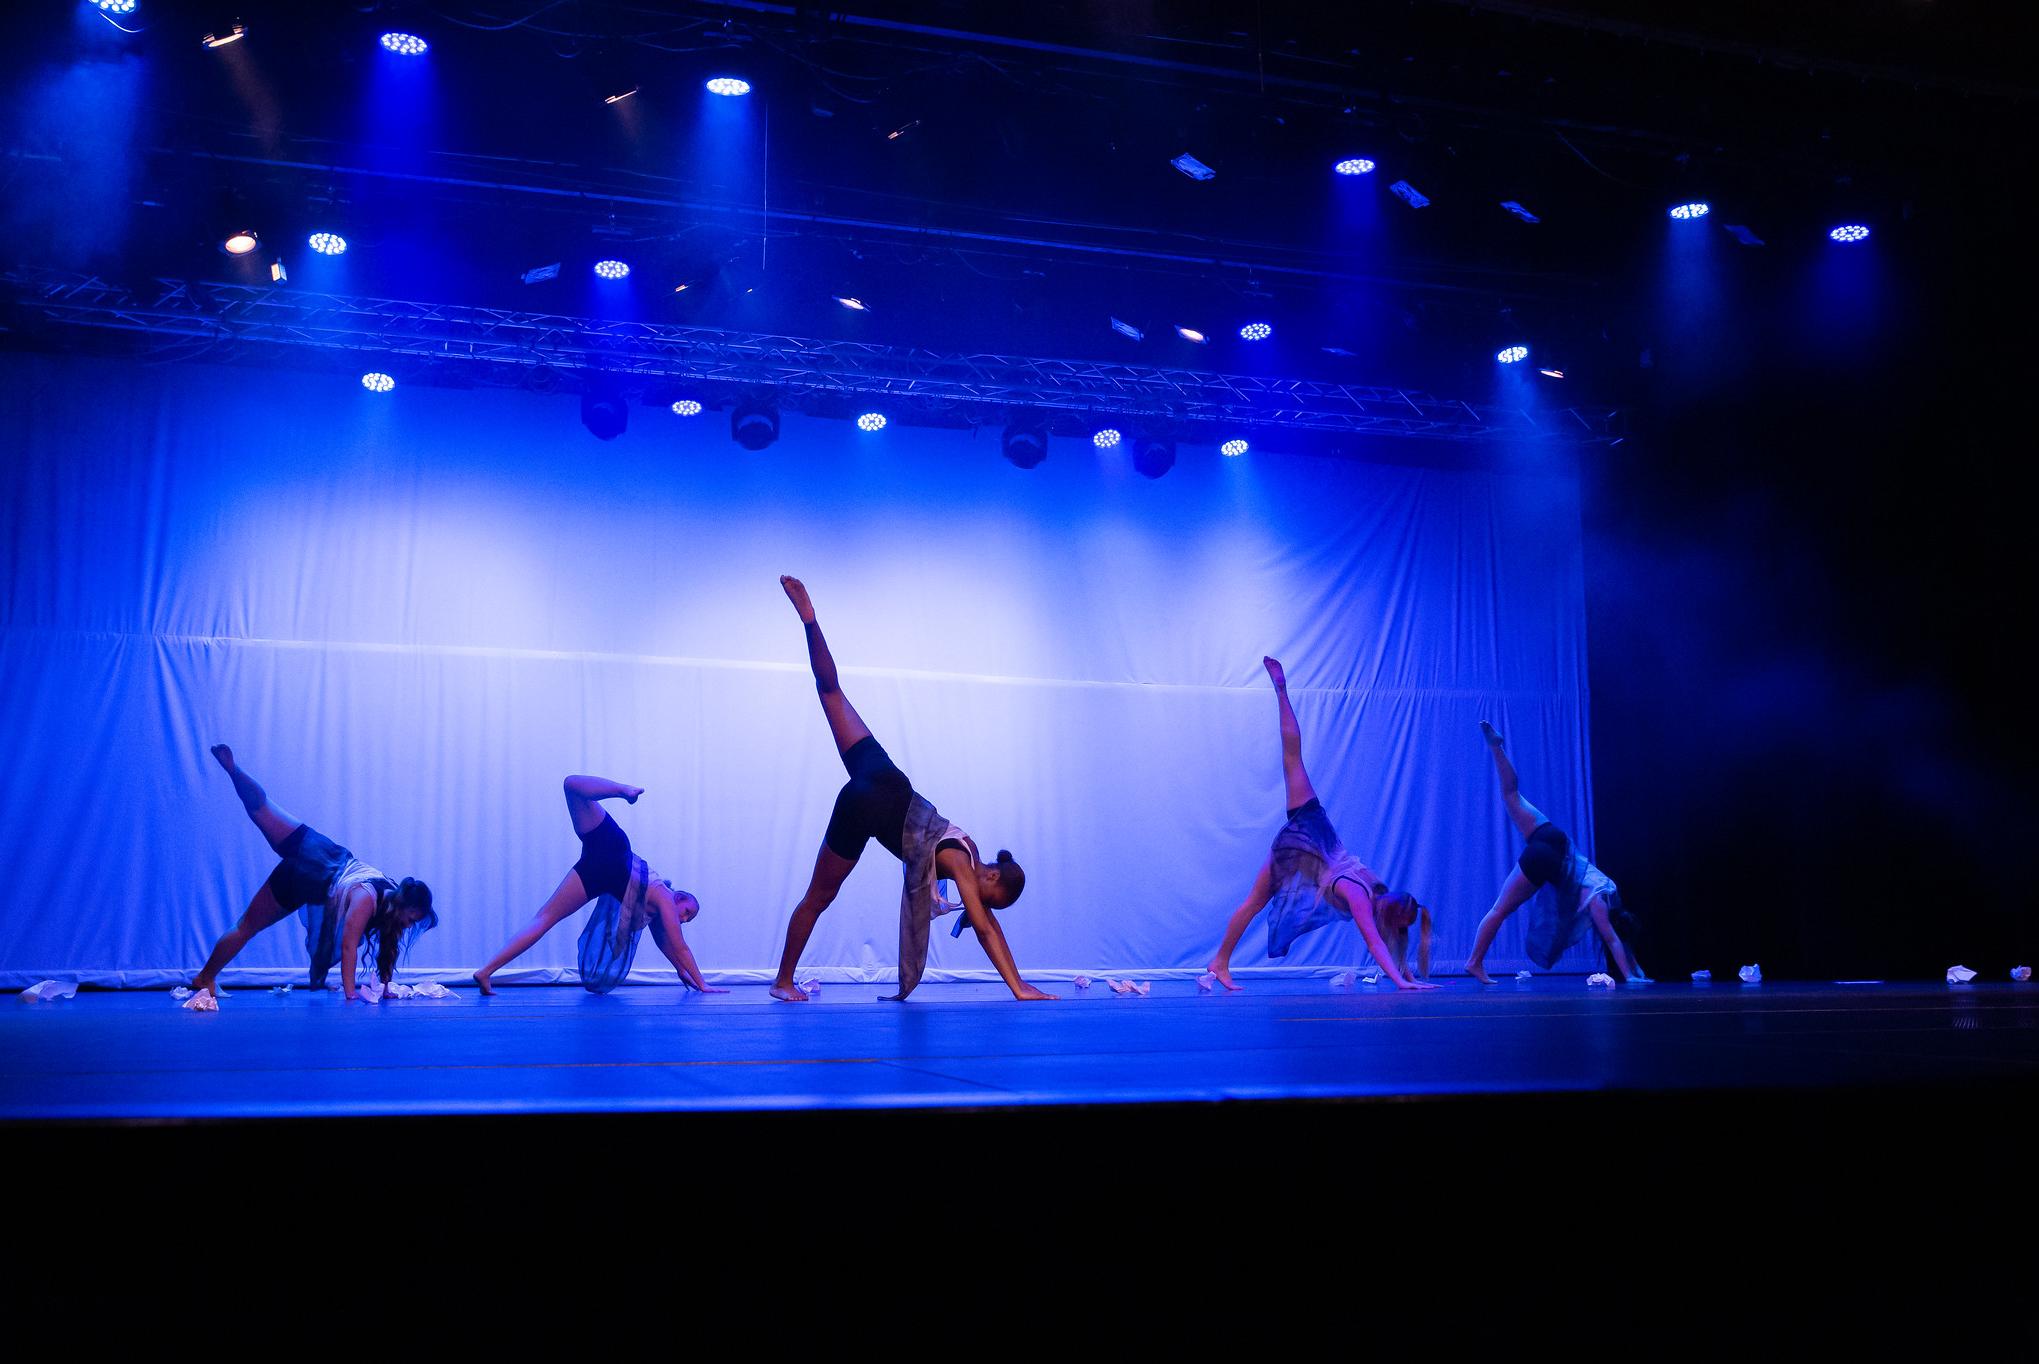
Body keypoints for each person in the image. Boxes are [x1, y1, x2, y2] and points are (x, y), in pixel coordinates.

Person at [767, 575, 1051, 1003]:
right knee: (817, 897)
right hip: (870, 806)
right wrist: (1018, 987)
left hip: (886, 778)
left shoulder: (965, 842)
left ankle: (809, 619)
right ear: (990, 875)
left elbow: (985, 917)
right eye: (991, 897)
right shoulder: (960, 860)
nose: (981, 910)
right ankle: (782, 982)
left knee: (831, 692)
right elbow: (987, 928)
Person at [1207, 658, 1436, 991]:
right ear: (1391, 911)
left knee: (1255, 902)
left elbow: (1392, 937)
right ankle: (1282, 691)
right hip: (1307, 833)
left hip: (1313, 844)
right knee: (1293, 757)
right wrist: (1401, 983)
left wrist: (1406, 974)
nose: (1398, 932)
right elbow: (1374, 941)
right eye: (1401, 927)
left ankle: (1219, 962)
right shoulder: (1361, 894)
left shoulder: (1383, 896)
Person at [191, 744, 436, 1003]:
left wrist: (386, 986)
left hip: (321, 850)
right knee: (247, 923)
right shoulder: (367, 900)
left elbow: (388, 948)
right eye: (410, 918)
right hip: (308, 873)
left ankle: (205, 976)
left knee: (261, 809)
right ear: (402, 906)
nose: (409, 925)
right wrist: (350, 994)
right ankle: (232, 768)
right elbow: (348, 946)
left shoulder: (393, 898)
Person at [472, 777, 719, 995]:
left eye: (689, 919)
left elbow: (665, 944)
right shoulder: (664, 897)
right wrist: (703, 983)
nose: (685, 919)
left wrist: (680, 971)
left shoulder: (655, 911)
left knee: (544, 919)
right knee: (572, 785)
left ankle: (486, 971)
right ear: (679, 897)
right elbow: (680, 946)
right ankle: (624, 791)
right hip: (612, 850)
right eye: (687, 912)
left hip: (599, 871)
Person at [1462, 721, 1643, 983]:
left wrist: (1639, 971)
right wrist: (1632, 976)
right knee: (1500, 910)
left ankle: (1496, 748)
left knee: (1511, 793)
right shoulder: (1600, 904)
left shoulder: (1610, 891)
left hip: (1551, 837)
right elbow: (1614, 939)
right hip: (1551, 860)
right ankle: (1473, 962)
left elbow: (1621, 938)